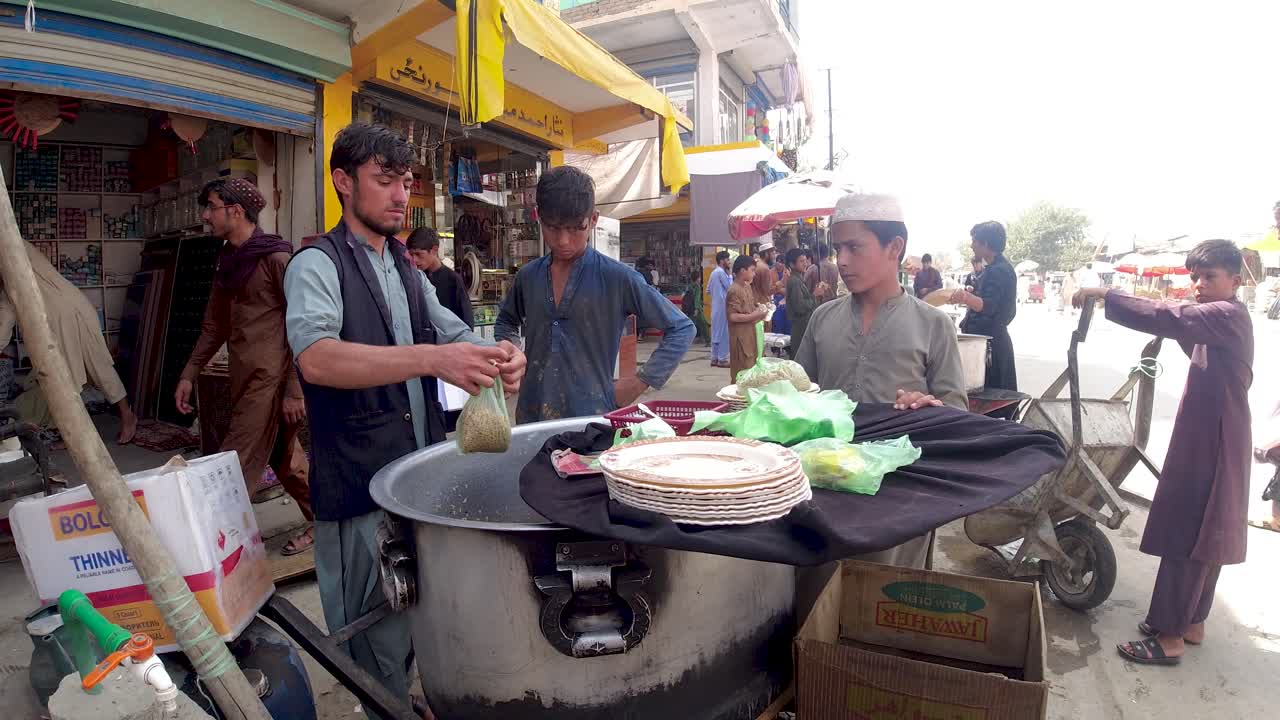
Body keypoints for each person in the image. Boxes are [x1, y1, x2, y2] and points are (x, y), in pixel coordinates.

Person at [284, 122, 527, 716]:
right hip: (357, 480)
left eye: (406, 182)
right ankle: (383, 705)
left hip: (414, 480)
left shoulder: (405, 268)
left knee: (413, 614)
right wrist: (431, 359)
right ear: (343, 182)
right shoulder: (316, 264)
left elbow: (456, 333)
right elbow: (316, 359)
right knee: (369, 630)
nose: (400, 195)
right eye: (384, 180)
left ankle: (399, 700)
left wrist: (500, 356)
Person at [1074, 239, 1253, 666]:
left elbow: (1173, 316)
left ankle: (1169, 637)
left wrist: (1107, 296)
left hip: (1215, 441)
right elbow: (1184, 329)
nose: (1199, 284)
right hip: (1214, 438)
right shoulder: (1222, 321)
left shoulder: (1227, 314)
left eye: (1210, 277)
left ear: (1235, 279)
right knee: (1207, 536)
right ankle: (1191, 622)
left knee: (1190, 537)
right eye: (1196, 277)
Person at [795, 192, 966, 569]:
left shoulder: (933, 325)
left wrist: (931, 408)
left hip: (901, 496)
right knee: (819, 599)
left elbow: (957, 411)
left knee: (887, 598)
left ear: (895, 248)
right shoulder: (822, 319)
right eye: (837, 248)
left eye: (855, 247)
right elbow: (798, 398)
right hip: (826, 490)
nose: (841, 260)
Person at [174, 179, 313, 554]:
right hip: (244, 379)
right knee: (287, 463)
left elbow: (301, 327)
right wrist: (189, 372)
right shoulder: (228, 261)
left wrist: (293, 389)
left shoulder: (276, 259)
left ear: (235, 211)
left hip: (270, 384)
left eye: (212, 207)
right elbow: (213, 325)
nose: (205, 216)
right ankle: (327, 523)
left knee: (232, 466)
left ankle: (215, 549)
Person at [495, 166, 693, 424]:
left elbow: (681, 328)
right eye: (553, 228)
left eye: (576, 228)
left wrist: (640, 381)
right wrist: (510, 350)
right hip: (531, 417)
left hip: (592, 419)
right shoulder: (528, 277)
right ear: (538, 217)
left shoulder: (618, 278)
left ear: (594, 219)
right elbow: (506, 321)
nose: (564, 240)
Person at [0, 241, 138, 444]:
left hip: (69, 314)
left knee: (87, 371)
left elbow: (4, 328)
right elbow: (4, 324)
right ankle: (81, 428)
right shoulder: (9, 286)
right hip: (69, 314)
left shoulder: (14, 250)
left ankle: (124, 418)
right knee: (71, 374)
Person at [953, 221, 1018, 415]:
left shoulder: (999, 271)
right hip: (988, 341)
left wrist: (964, 296)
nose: (972, 245)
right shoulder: (994, 268)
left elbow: (988, 306)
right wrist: (971, 293)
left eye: (974, 241)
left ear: (986, 244)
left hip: (992, 345)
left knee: (992, 401)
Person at [407, 227, 474, 329]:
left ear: (434, 250)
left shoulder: (453, 280)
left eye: (418, 254)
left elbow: (467, 321)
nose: (414, 260)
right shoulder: (417, 279)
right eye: (412, 255)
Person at [727, 255, 767, 383]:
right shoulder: (734, 290)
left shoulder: (747, 287)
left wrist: (761, 308)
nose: (754, 274)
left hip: (750, 335)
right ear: (743, 271)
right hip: (740, 338)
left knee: (751, 370)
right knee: (741, 372)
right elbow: (733, 316)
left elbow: (750, 306)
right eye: (752, 270)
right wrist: (755, 315)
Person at [784, 248, 821, 359]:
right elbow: (799, 306)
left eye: (806, 260)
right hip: (800, 325)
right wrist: (814, 295)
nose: (805, 264)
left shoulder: (799, 278)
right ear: (792, 264)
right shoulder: (794, 281)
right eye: (801, 261)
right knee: (800, 356)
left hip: (804, 323)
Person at [707, 250, 733, 368]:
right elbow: (730, 287)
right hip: (723, 307)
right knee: (724, 333)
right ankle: (722, 359)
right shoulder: (721, 272)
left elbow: (708, 290)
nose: (729, 262)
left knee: (716, 333)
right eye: (727, 260)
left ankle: (714, 358)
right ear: (722, 261)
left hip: (716, 307)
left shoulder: (713, 273)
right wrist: (730, 275)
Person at [680, 267, 710, 346]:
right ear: (697, 278)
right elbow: (696, 298)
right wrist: (697, 308)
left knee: (689, 325)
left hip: (689, 309)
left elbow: (684, 296)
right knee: (704, 324)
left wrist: (703, 303)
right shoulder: (697, 287)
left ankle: (684, 340)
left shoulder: (689, 286)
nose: (700, 279)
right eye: (699, 278)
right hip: (696, 310)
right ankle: (708, 341)